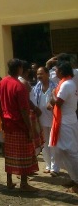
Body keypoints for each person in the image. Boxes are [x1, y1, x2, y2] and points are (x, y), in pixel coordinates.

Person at [0, 58, 38, 192]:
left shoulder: (2, 82)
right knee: (25, 154)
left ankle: (9, 181)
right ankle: (24, 183)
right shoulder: (19, 86)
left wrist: (2, 120)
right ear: (19, 69)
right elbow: (24, 110)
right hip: (19, 124)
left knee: (9, 154)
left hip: (8, 124)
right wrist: (29, 128)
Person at [49, 61, 78, 194]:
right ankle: (74, 178)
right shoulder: (67, 83)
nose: (55, 72)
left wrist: (52, 98)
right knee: (62, 151)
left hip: (66, 122)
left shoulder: (66, 84)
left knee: (70, 152)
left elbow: (58, 102)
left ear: (62, 71)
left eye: (57, 70)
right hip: (66, 121)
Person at [31, 66, 59, 175]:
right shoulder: (36, 88)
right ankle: (48, 165)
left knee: (53, 143)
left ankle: (55, 168)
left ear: (48, 74)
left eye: (41, 73)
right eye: (38, 74)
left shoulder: (55, 87)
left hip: (53, 119)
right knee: (45, 143)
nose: (39, 76)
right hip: (41, 120)